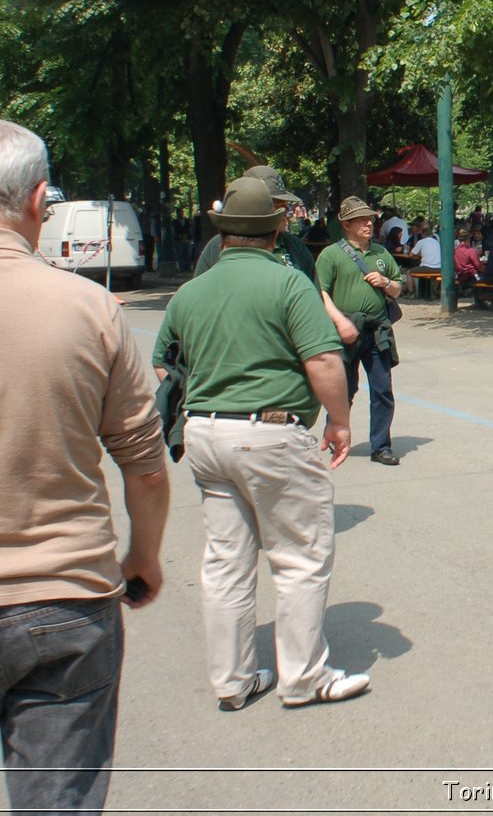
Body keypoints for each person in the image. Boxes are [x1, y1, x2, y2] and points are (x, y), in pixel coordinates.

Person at [0, 120, 171, 813]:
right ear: (39, 202)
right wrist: (143, 558)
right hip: (65, 603)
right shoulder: (90, 307)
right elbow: (144, 464)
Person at [154, 177, 368, 711]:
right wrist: (339, 422)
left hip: (205, 432)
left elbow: (166, 362)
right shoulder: (288, 281)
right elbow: (322, 359)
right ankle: (303, 678)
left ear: (224, 231)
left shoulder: (190, 291)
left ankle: (233, 680)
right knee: (299, 557)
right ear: (276, 227)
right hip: (271, 430)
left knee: (226, 562)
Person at [315, 196, 404, 467]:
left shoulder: (380, 253)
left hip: (377, 330)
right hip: (345, 331)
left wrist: (386, 281)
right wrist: (340, 322)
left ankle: (381, 446)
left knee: (382, 389)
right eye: (361, 220)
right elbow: (320, 293)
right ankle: (336, 435)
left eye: (370, 219)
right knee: (344, 388)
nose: (369, 223)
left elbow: (398, 287)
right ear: (346, 225)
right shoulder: (331, 255)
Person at [194, 165, 317, 283]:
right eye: (279, 206)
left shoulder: (295, 246)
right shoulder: (219, 245)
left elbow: (313, 293)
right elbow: (201, 295)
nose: (286, 214)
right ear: (253, 209)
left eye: (287, 206)